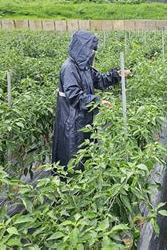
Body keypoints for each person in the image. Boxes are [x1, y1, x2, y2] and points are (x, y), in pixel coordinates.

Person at [52, 30, 130, 171]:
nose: (93, 53)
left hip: (83, 120)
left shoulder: (84, 67)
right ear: (81, 48)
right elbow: (74, 95)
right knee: (73, 161)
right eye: (91, 49)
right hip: (72, 124)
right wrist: (98, 101)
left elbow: (100, 79)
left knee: (85, 156)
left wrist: (117, 75)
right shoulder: (69, 68)